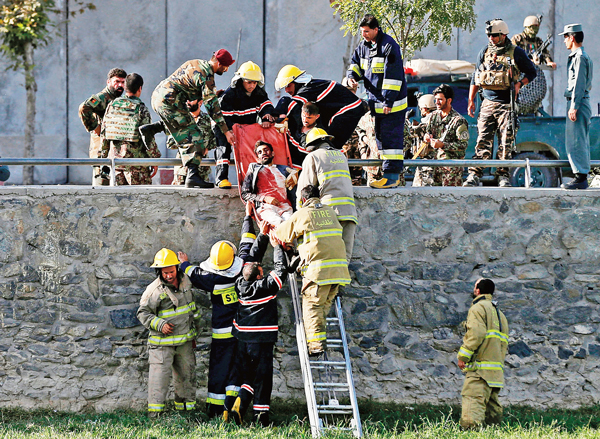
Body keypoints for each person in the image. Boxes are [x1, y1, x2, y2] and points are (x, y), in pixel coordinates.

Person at [176, 215, 256, 419]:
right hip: (241, 330)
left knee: (219, 367)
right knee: (238, 368)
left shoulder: (210, 279)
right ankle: (233, 405)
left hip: (221, 333)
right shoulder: (243, 269)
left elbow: (193, 273)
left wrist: (183, 263)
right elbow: (247, 243)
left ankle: (216, 409)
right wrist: (247, 217)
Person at [226, 216, 292, 427]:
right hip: (261, 341)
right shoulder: (264, 287)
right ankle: (261, 419)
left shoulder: (240, 284)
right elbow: (281, 270)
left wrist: (263, 235)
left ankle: (237, 404)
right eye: (262, 271)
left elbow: (251, 261)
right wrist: (277, 246)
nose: (263, 270)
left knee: (248, 375)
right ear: (258, 277)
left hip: (242, 341)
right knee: (263, 378)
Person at [274, 185, 351, 356]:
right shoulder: (330, 212)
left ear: (302, 200)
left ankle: (316, 345)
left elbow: (282, 234)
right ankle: (320, 341)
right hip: (339, 271)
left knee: (312, 307)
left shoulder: (303, 213)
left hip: (318, 272)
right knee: (323, 306)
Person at [148, 49, 236, 188]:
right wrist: (226, 131)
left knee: (184, 126)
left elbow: (189, 88)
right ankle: (193, 176)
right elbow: (212, 106)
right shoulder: (207, 76)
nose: (226, 70)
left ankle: (153, 128)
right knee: (196, 137)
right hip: (170, 101)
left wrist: (210, 94)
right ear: (218, 63)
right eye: (226, 66)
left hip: (159, 97)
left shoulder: (196, 63)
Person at [464, 19, 537, 188]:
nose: (491, 38)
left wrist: (520, 84)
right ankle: (475, 175)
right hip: (487, 103)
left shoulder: (516, 52)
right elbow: (476, 77)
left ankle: (502, 176)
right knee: (482, 141)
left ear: (504, 35)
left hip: (507, 104)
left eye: (495, 35)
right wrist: (471, 101)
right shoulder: (484, 51)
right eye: (489, 35)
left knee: (506, 143)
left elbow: (531, 72)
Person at [346, 14, 408, 189]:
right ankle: (386, 175)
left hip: (392, 105)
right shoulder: (363, 47)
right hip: (377, 104)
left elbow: (393, 77)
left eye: (366, 31)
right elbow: (355, 65)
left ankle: (392, 176)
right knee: (381, 140)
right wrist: (352, 77)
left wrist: (388, 101)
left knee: (391, 142)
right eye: (362, 32)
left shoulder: (389, 46)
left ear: (376, 30)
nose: (364, 35)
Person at [137, 248, 201, 417]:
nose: (168, 276)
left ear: (176, 268)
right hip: (162, 345)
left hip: (185, 342)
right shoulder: (153, 290)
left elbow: (191, 309)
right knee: (159, 381)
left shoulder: (187, 281)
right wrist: (159, 324)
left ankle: (187, 412)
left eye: (171, 271)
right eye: (164, 273)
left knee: (187, 377)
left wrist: (195, 332)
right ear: (159, 272)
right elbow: (142, 313)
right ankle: (155, 415)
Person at [296, 128, 357, 261]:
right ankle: (343, 282)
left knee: (327, 258)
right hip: (349, 213)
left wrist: (300, 213)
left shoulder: (313, 157)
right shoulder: (341, 156)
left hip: (329, 214)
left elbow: (305, 189)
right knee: (344, 258)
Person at [213, 61, 276, 189]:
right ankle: (221, 179)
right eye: (249, 82)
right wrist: (228, 132)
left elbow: (266, 106)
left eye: (255, 82)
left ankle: (252, 179)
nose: (252, 85)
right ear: (241, 80)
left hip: (246, 127)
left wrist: (266, 117)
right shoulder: (228, 95)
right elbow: (223, 118)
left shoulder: (259, 92)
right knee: (223, 149)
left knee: (253, 150)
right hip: (224, 126)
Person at [274, 65, 366, 151]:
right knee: (327, 144)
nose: (286, 90)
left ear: (297, 82)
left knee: (331, 146)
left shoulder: (308, 88)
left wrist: (277, 116)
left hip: (349, 110)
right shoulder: (312, 86)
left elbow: (291, 104)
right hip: (347, 110)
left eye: (288, 86)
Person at [457, 278, 509, 429]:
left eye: (474, 286)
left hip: (479, 369)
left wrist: (463, 357)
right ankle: (494, 432)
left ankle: (470, 433)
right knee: (491, 407)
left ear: (478, 290)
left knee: (473, 401)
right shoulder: (500, 314)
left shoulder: (478, 308)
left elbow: (476, 334)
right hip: (495, 371)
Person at [100, 73, 161, 185]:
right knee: (141, 200)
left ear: (125, 87)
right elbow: (147, 137)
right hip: (137, 167)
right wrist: (154, 159)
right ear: (140, 88)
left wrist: (102, 159)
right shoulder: (141, 109)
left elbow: (104, 134)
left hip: (116, 166)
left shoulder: (112, 106)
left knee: (118, 201)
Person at [559, 23, 593, 190]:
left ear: (572, 37)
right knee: (577, 140)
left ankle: (580, 177)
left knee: (577, 141)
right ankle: (580, 175)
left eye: (566, 37)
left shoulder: (579, 57)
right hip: (578, 101)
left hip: (578, 102)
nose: (564, 41)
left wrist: (574, 106)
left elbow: (579, 84)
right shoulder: (578, 56)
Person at [79, 67, 127, 186]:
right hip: (101, 151)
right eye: (117, 82)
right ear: (109, 82)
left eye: (123, 82)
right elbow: (83, 108)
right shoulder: (102, 97)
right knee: (101, 187)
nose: (120, 85)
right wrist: (95, 127)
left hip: (113, 151)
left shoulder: (119, 100)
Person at [415, 84, 469, 186]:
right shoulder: (434, 116)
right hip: (435, 167)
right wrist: (426, 137)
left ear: (449, 100)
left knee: (450, 198)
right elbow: (427, 132)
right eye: (436, 99)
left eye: (440, 99)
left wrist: (443, 145)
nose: (437, 102)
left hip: (451, 169)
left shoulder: (458, 121)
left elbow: (463, 145)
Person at [241, 141, 296, 231]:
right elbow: (245, 194)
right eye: (260, 152)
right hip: (265, 208)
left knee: (292, 227)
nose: (263, 153)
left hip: (285, 207)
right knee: (281, 225)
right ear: (258, 158)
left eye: (266, 150)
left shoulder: (284, 169)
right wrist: (264, 198)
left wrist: (296, 173)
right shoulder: (254, 168)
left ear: (272, 153)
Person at [511, 16, 557, 115]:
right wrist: (528, 61)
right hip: (519, 76)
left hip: (533, 79)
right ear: (526, 27)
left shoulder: (538, 41)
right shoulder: (517, 39)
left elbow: (545, 53)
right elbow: (512, 54)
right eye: (532, 27)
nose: (534, 30)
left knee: (535, 101)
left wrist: (548, 61)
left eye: (536, 27)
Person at [169, 99, 215, 187]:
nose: (188, 102)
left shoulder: (207, 120)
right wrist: (188, 145)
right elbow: (170, 143)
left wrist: (207, 147)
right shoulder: (179, 120)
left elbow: (215, 140)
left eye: (191, 100)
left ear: (200, 102)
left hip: (202, 169)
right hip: (182, 169)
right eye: (186, 99)